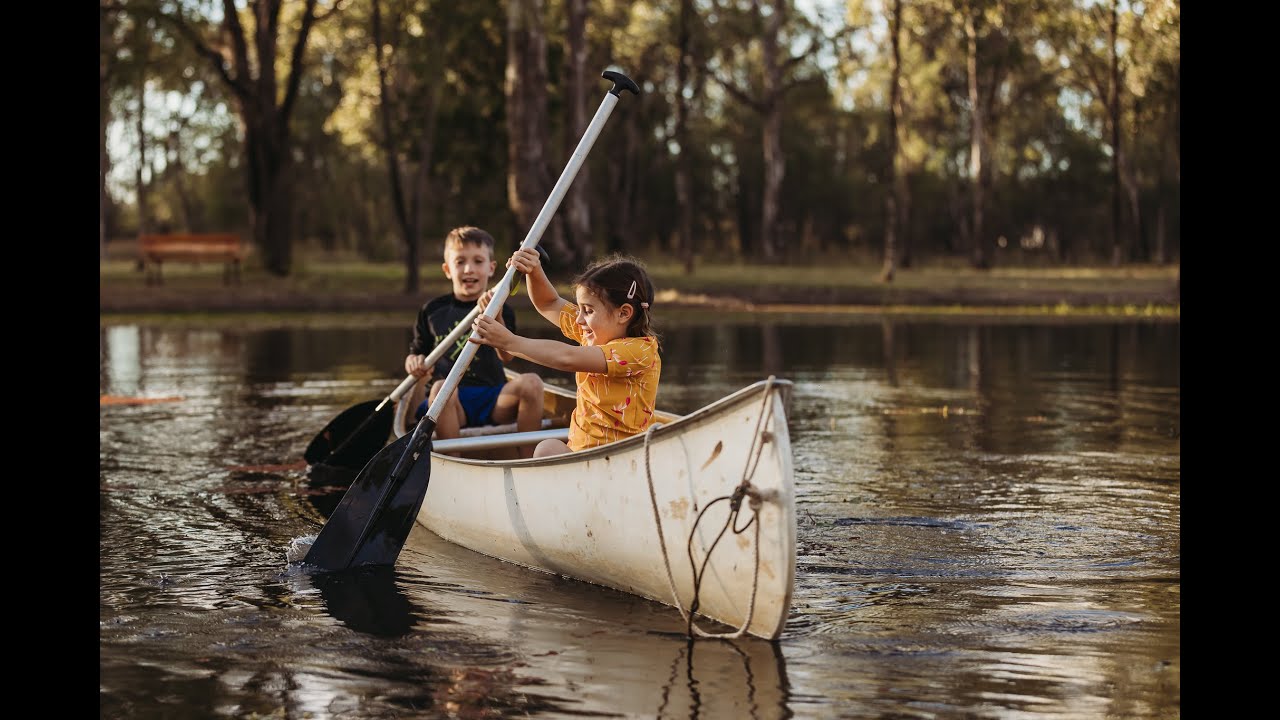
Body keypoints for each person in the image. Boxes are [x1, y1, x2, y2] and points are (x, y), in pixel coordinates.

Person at [468, 248, 661, 458]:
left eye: (588, 310)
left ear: (623, 313)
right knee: (549, 448)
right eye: (579, 309)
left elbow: (566, 358)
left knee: (546, 448)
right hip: (582, 457)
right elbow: (548, 303)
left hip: (620, 460)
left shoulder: (640, 351)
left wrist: (508, 341)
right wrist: (534, 270)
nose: (579, 320)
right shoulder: (593, 333)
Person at [405, 226, 544, 458]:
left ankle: (528, 460)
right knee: (441, 388)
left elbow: (507, 356)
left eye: (478, 261)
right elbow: (416, 353)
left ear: (491, 268)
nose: (469, 269)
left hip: (494, 399)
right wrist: (414, 362)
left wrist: (496, 313)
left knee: (532, 383)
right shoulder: (432, 311)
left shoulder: (503, 307)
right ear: (447, 269)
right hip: (451, 403)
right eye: (460, 262)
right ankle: (455, 462)